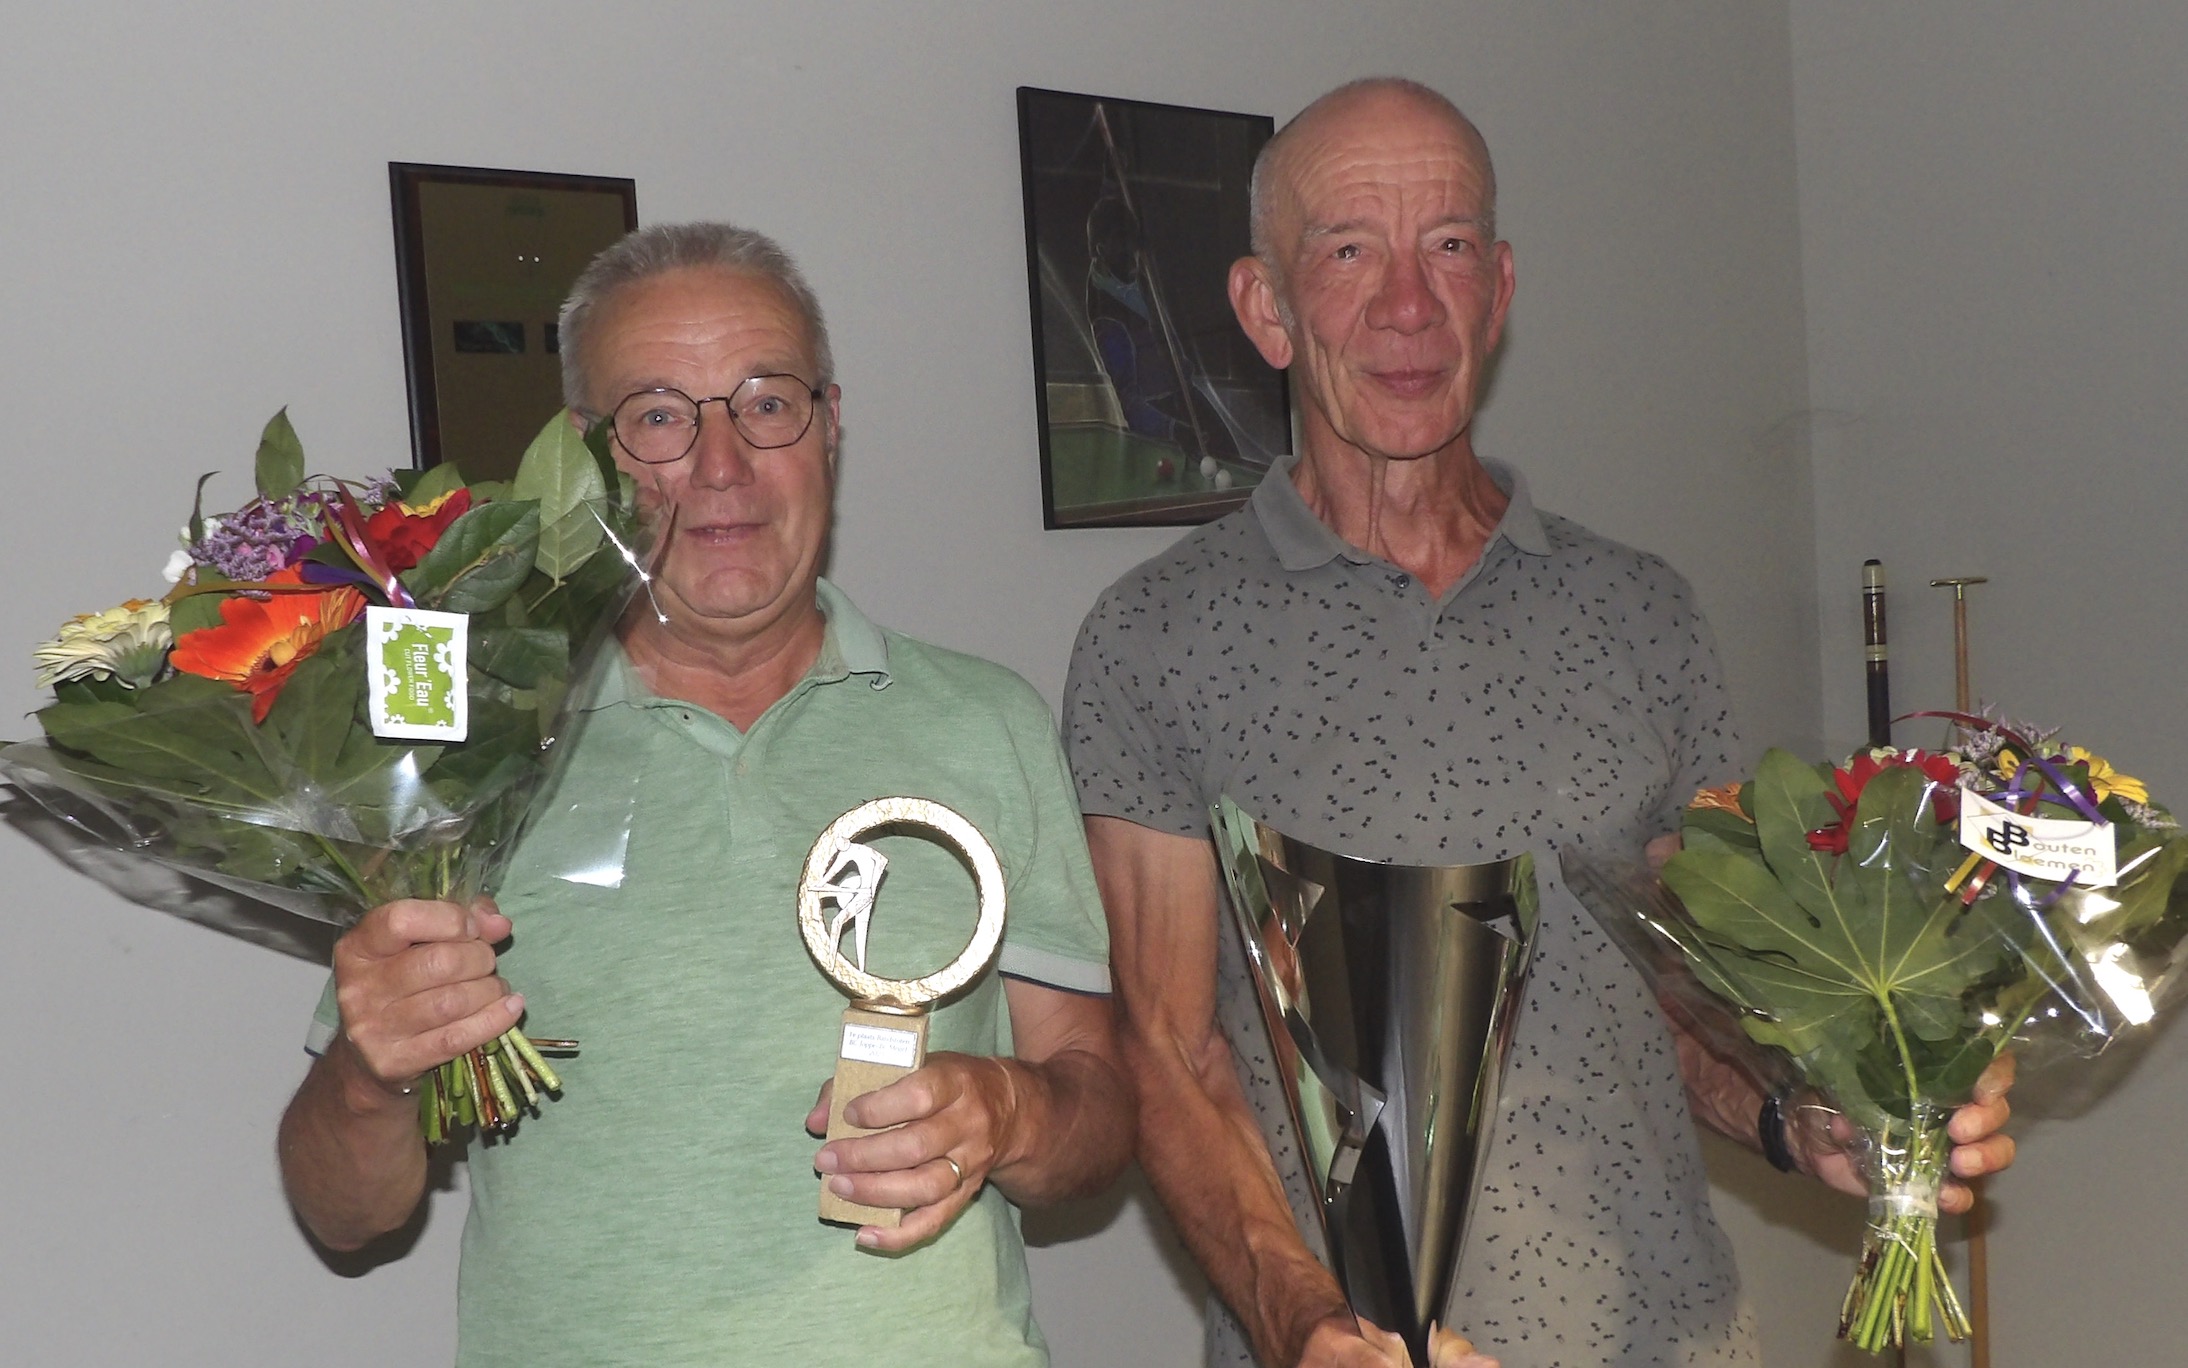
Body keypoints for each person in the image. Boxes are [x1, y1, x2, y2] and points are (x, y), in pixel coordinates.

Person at [1062, 79, 2015, 1368]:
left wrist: (1803, 1115)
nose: (1409, 304)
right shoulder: (1156, 637)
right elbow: (1167, 1052)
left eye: (1449, 246)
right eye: (1348, 253)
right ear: (1265, 309)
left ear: (1498, 290)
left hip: (1668, 1339)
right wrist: (1300, 1321)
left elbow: (1684, 1003)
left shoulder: (1641, 612)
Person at [278, 222, 1133, 1367]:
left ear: (830, 424)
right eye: (659, 417)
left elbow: (1097, 1114)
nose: (721, 465)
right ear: (586, 455)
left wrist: (1013, 1112)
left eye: (766, 402)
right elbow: (344, 1213)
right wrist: (367, 1076)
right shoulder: (468, 755)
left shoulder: (988, 722)